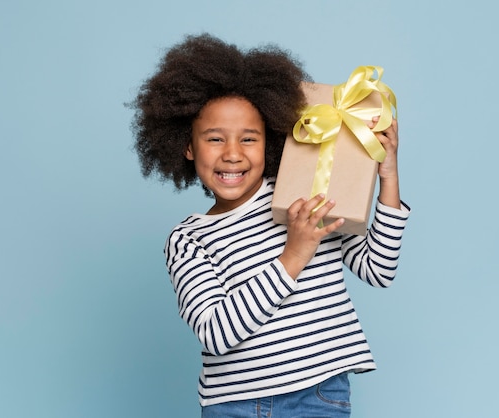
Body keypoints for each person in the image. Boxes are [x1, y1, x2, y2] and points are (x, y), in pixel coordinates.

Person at [130, 33, 410, 418]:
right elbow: (216, 333)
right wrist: (293, 255)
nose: (232, 154)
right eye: (215, 139)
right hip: (234, 406)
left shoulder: (302, 196)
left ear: (271, 143)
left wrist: (388, 177)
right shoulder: (187, 240)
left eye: (249, 138)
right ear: (187, 146)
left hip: (319, 397)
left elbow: (378, 269)